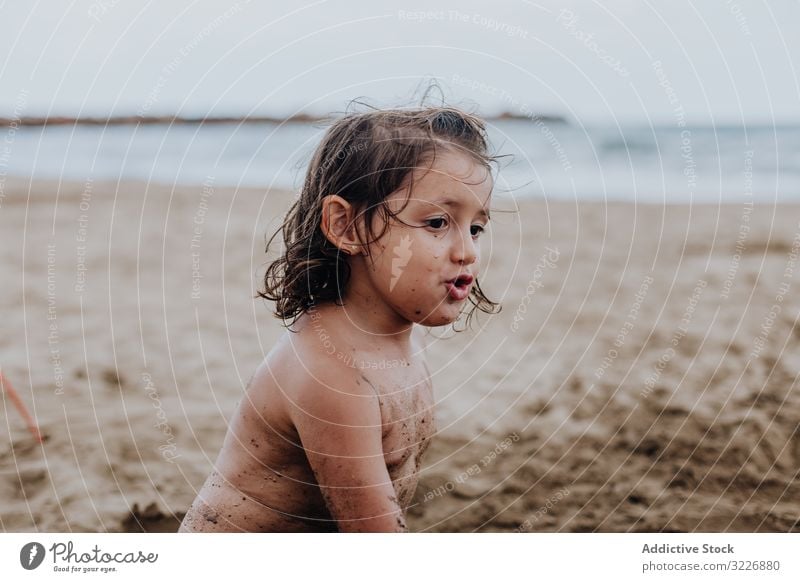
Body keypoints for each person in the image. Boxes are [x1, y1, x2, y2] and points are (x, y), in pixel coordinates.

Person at [179, 104, 500, 532]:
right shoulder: (332, 374)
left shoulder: (390, 342)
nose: (467, 252)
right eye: (438, 222)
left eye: (475, 228)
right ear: (346, 226)